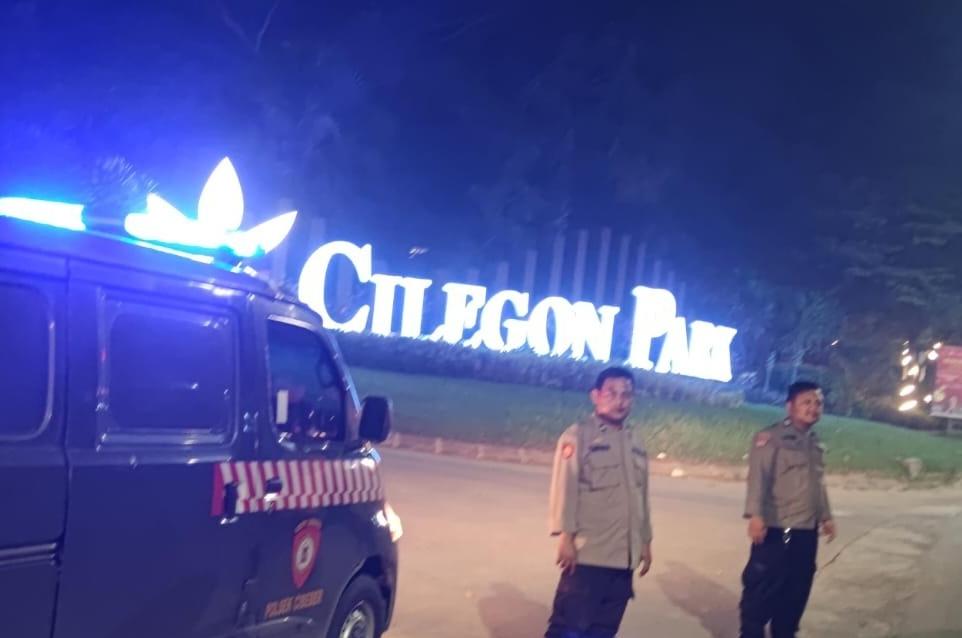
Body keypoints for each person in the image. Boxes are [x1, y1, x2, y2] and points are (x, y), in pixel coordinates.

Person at [545, 366, 653, 638]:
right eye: (611, 393)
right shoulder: (578, 436)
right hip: (589, 555)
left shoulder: (635, 440)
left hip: (624, 558)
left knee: (604, 630)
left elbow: (641, 496)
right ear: (595, 396)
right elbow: (565, 487)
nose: (620, 401)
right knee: (568, 628)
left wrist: (645, 541)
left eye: (626, 394)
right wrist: (565, 536)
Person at [739, 380, 837, 638]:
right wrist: (756, 516)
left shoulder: (814, 443)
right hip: (777, 528)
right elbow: (758, 477)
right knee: (761, 591)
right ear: (789, 406)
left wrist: (826, 516)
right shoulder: (771, 438)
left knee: (796, 592)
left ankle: (785, 632)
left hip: (806, 532)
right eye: (806, 402)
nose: (813, 408)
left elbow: (818, 484)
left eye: (818, 403)